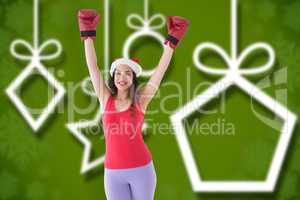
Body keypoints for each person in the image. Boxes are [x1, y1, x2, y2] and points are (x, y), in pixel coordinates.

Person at [77, 9, 189, 200]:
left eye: (128, 73)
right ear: (113, 77)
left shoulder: (141, 100)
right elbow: (92, 67)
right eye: (118, 73)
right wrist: (88, 36)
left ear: (133, 78)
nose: (122, 77)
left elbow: (159, 72)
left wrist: (171, 43)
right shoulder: (106, 98)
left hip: (142, 171)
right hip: (113, 173)